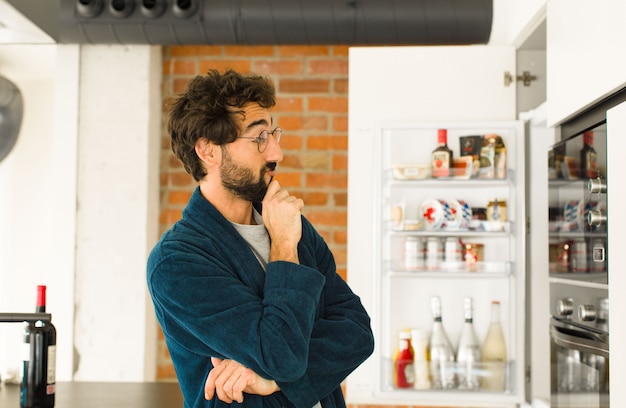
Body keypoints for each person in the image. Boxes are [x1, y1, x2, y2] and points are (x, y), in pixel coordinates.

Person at [147, 69, 374, 407]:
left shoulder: (287, 222)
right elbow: (280, 354)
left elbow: (357, 332)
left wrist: (270, 378)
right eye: (259, 138)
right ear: (208, 150)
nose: (276, 153)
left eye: (274, 133)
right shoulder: (176, 263)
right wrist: (284, 247)